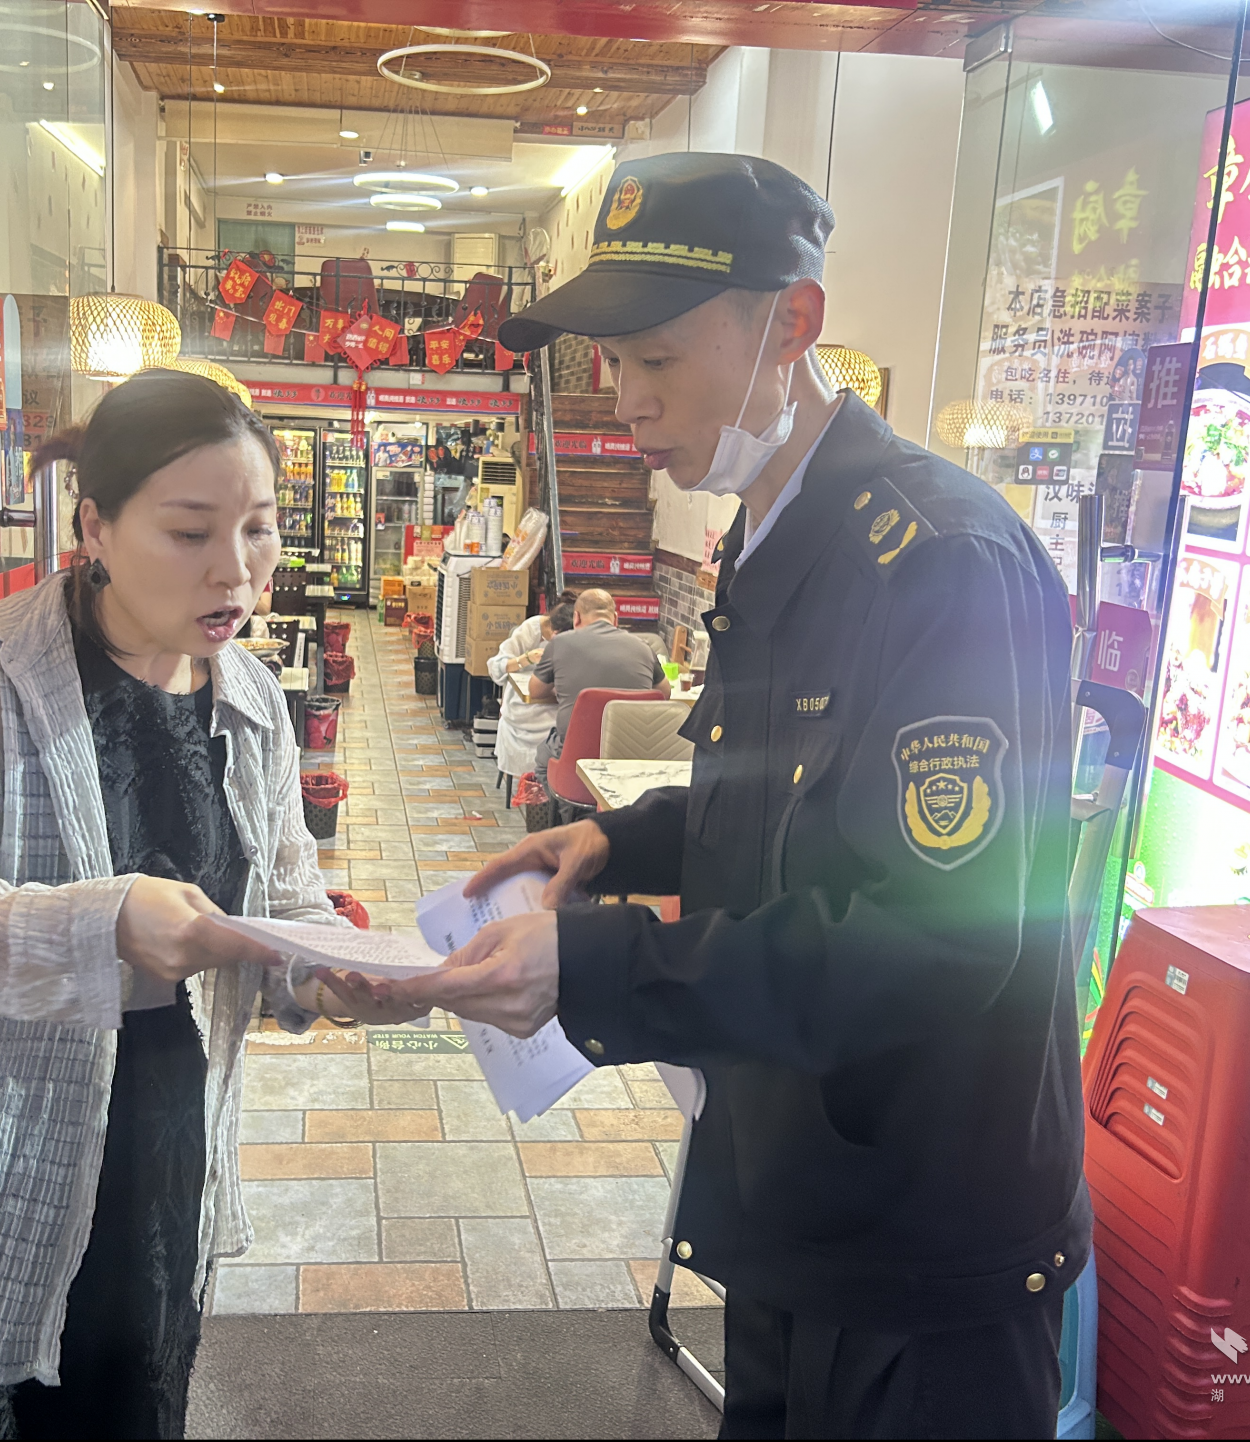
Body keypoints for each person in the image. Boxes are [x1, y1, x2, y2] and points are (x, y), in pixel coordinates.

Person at [371, 152, 1083, 1439]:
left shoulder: (939, 561)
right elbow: (786, 801)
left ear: (790, 322)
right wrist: (622, 837)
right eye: (612, 363)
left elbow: (940, 938)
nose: (628, 402)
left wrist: (600, 964)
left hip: (921, 1236)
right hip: (793, 1189)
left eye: (657, 357)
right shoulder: (770, 526)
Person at [0, 371, 419, 1441]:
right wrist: (106, 921)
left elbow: (286, 907)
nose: (235, 568)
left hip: (152, 1155)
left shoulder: (252, 700)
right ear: (95, 528)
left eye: (258, 528)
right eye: (189, 531)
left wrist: (332, 976)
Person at [529, 587, 669, 784]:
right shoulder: (643, 647)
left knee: (543, 757)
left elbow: (535, 690)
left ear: (576, 617)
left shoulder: (559, 643)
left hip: (574, 756)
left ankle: (562, 803)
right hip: (633, 757)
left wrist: (562, 686)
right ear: (615, 618)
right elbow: (664, 694)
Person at [486, 591, 576, 789]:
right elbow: (496, 666)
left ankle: (551, 785)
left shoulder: (576, 638)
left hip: (556, 705)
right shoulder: (531, 629)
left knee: (567, 725)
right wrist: (526, 659)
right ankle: (537, 782)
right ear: (551, 627)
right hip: (523, 707)